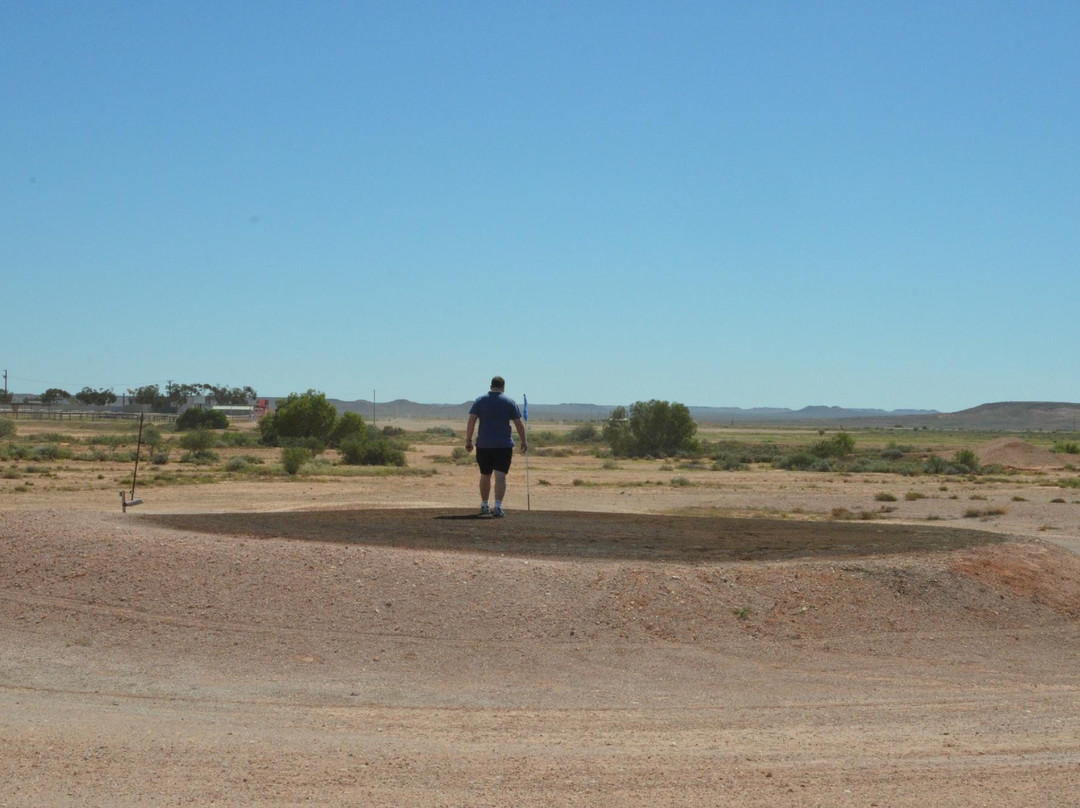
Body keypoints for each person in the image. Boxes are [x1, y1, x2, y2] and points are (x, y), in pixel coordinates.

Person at [465, 376, 528, 517]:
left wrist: (468, 440)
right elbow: (518, 423)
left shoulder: (480, 401)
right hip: (503, 446)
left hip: (484, 445)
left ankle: (484, 505)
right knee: (500, 476)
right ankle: (498, 507)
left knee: (485, 474)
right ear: (503, 386)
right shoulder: (509, 402)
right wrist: (523, 441)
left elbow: (471, 421)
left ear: (491, 386)